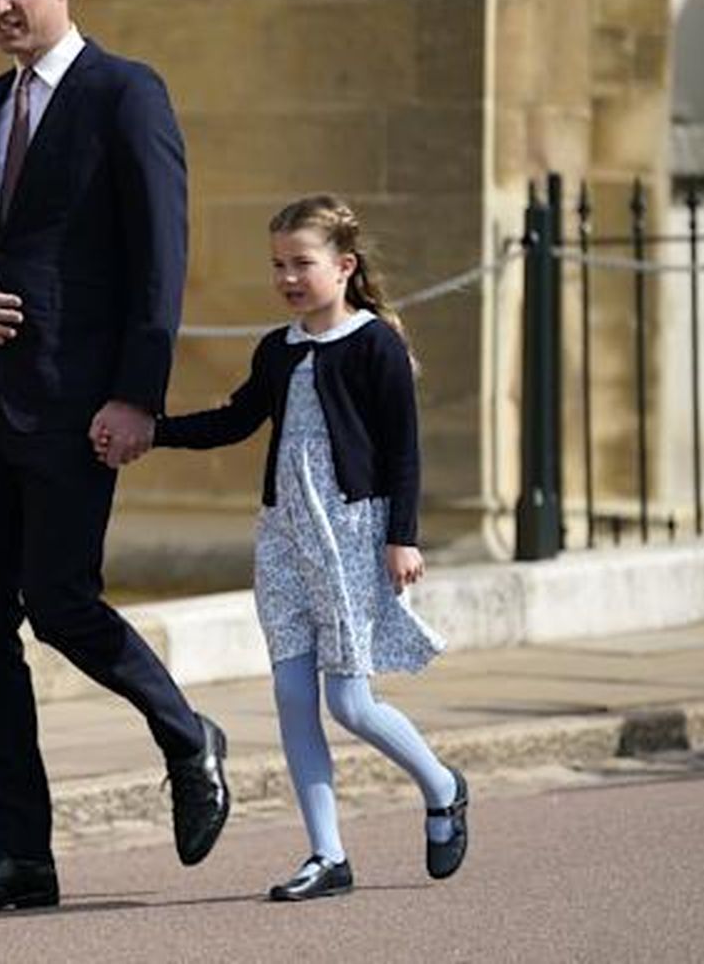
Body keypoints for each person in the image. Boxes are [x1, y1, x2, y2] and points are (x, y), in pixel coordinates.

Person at [0, 0, 229, 920]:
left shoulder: (122, 93)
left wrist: (138, 392)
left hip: (72, 404)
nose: (0, 7)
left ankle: (187, 733)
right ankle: (15, 851)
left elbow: (160, 251)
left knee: (59, 601)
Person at [151, 194, 469, 901]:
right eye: (278, 265)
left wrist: (402, 536)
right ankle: (327, 853)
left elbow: (402, 448)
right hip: (284, 538)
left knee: (351, 703)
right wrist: (154, 430)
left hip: (353, 533)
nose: (289, 277)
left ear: (344, 266)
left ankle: (443, 787)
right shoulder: (278, 348)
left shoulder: (375, 343)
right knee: (293, 695)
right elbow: (234, 420)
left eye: (303, 262)